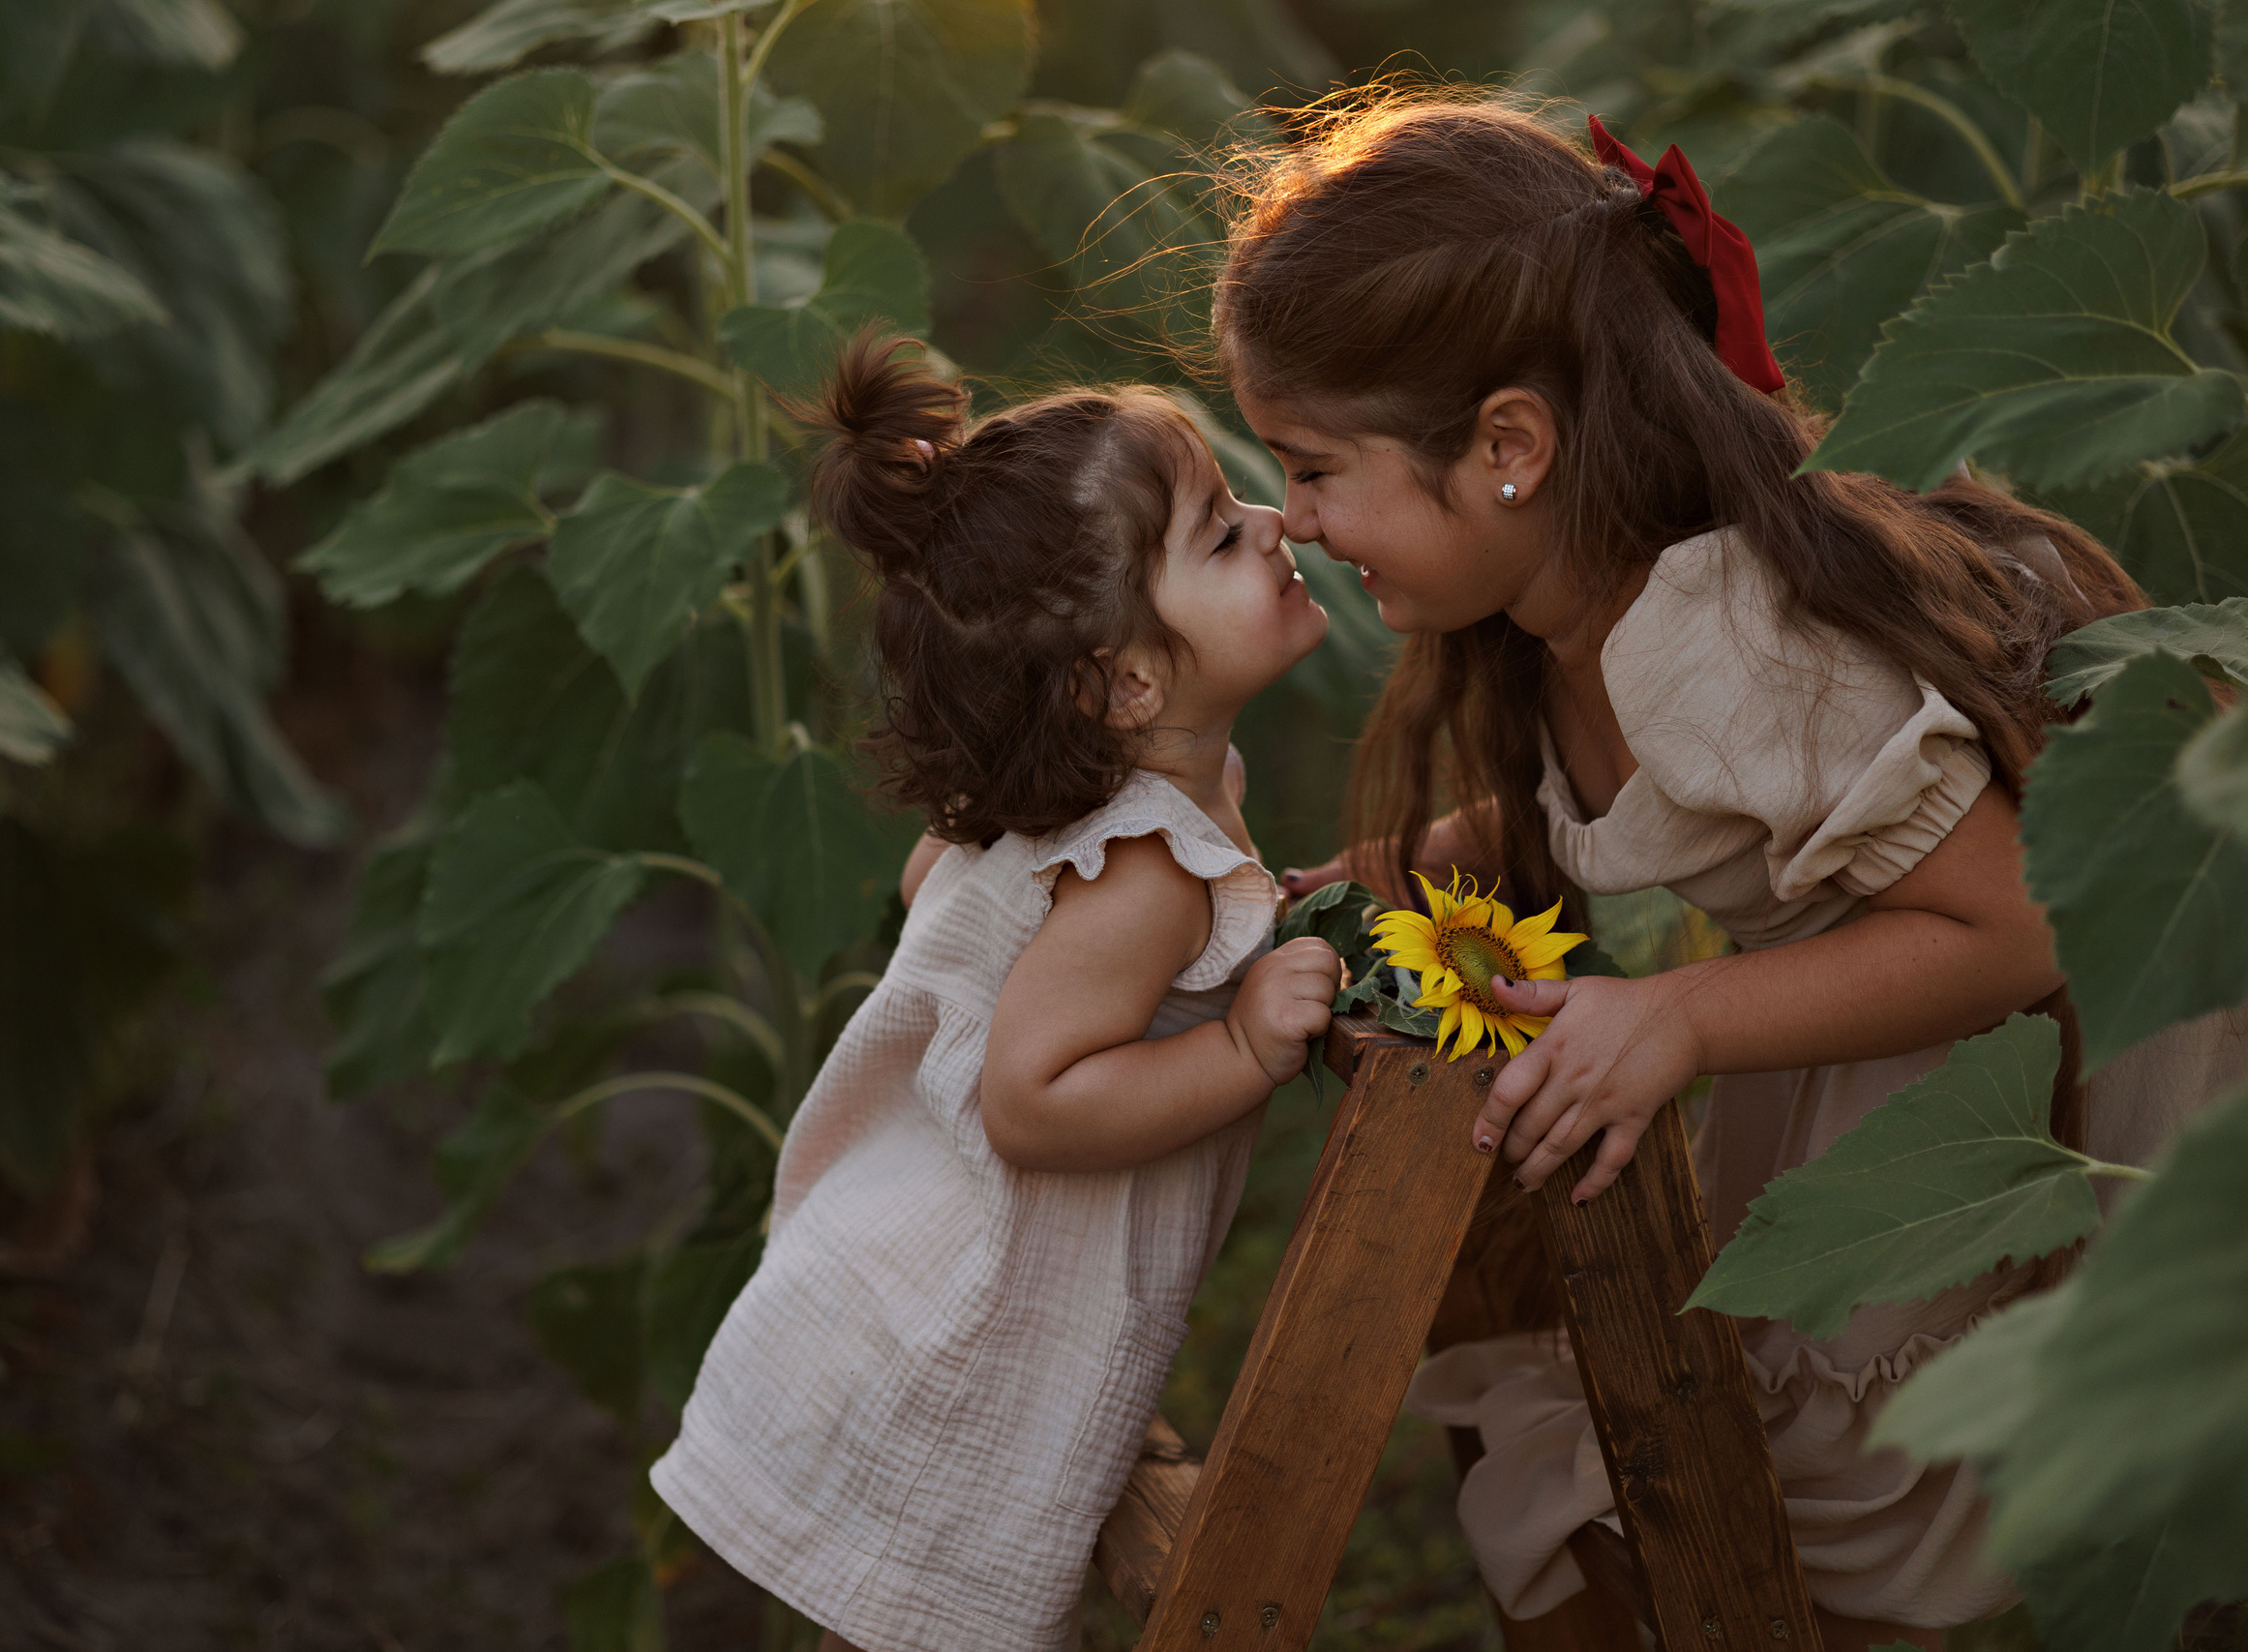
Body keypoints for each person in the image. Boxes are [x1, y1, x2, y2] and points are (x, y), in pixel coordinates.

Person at [1212, 96, 2248, 1652]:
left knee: (1878, 1492)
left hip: (2083, 1031)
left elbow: (2022, 921)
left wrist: (1683, 1014)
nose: (1294, 521)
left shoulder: (1724, 649)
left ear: (1507, 447)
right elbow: (1634, 812)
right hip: (1899, 1024)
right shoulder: (1572, 605)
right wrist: (1396, 863)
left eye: (1312, 469)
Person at [649, 334, 1343, 1652]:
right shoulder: (1146, 872)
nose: (1271, 522)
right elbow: (1031, 1103)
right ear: (1127, 682)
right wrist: (1242, 1047)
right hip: (957, 1345)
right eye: (1218, 534)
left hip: (885, 1285)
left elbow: (938, 889)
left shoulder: (1079, 810)